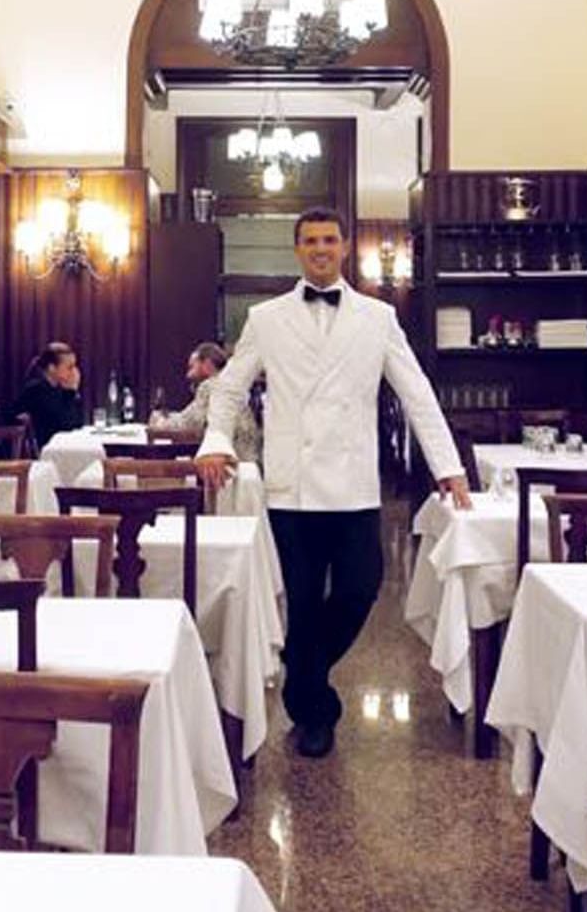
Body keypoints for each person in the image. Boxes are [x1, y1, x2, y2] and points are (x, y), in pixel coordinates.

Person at [197, 208, 472, 759]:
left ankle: (300, 667)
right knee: (302, 601)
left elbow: (416, 391)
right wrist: (216, 440)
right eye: (310, 241)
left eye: (329, 239)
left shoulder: (378, 317)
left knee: (359, 588)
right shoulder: (266, 318)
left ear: (344, 247)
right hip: (291, 488)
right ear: (298, 249)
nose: (320, 248)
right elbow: (229, 389)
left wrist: (448, 464)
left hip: (353, 486)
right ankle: (314, 712)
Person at [149, 342, 261, 462]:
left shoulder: (210, 386)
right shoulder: (232, 387)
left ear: (207, 364)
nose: (188, 375)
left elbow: (189, 422)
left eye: (192, 368)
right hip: (248, 462)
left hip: (229, 462)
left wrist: (160, 422)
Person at [14, 342, 85, 448]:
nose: (74, 372)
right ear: (52, 368)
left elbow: (78, 423)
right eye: (70, 367)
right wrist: (71, 392)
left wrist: (72, 392)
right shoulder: (37, 391)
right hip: (46, 450)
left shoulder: (59, 388)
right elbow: (66, 426)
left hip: (59, 446)